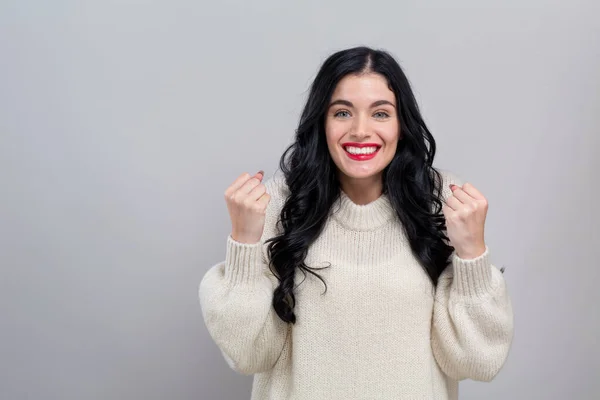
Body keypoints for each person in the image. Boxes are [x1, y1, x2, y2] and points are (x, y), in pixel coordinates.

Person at [199, 46, 514, 400]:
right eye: (343, 112)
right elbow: (248, 355)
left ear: (401, 124)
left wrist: (472, 254)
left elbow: (478, 363)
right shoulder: (275, 207)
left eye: (381, 113)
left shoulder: (443, 204)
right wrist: (243, 243)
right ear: (322, 121)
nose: (360, 131)